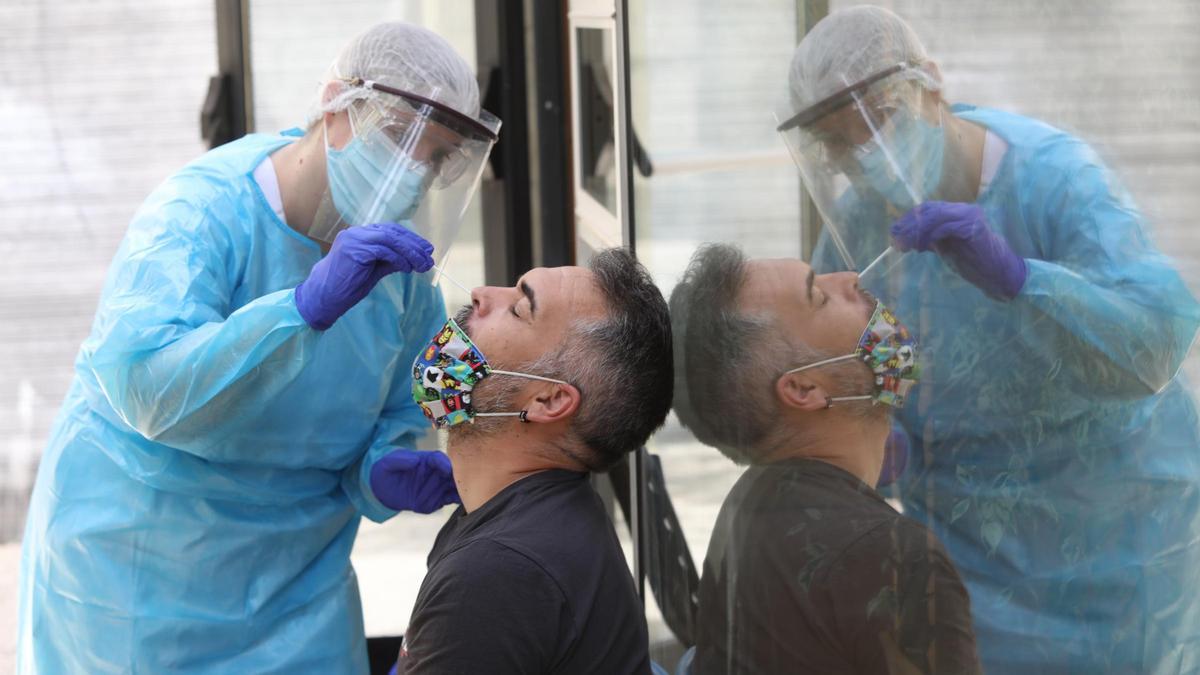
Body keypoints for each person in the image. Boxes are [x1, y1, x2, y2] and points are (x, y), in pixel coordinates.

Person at [17, 22, 500, 674]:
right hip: (135, 577)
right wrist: (301, 312)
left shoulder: (405, 276)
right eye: (399, 139)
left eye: (439, 158)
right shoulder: (199, 213)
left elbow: (406, 411)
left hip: (296, 591)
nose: (415, 173)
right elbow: (147, 388)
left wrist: (386, 469)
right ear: (335, 105)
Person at [777, 6, 1200, 673]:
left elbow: (1155, 340)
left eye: (876, 127)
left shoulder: (1054, 180)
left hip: (1119, 541)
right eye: (839, 145)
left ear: (933, 86)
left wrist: (1022, 279)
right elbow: (874, 343)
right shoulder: (861, 220)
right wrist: (878, 425)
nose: (864, 162)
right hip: (970, 550)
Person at [670, 243, 981, 675]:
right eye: (818, 295)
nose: (851, 279)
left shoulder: (749, 504)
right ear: (802, 390)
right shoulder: (896, 560)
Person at [395, 248, 672, 675]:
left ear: (548, 399)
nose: (483, 293)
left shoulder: (497, 574)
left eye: (520, 308)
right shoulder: (524, 521)